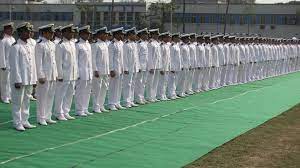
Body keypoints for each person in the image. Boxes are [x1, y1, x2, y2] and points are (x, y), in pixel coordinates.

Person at [10, 22, 37, 131]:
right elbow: (14, 65)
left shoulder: (30, 46)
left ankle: (25, 120)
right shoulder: (16, 47)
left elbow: (33, 64)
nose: (29, 33)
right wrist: (17, 80)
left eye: (30, 31)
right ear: (20, 33)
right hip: (20, 79)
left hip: (29, 78)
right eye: (27, 31)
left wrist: (34, 78)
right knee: (18, 102)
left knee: (26, 100)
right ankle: (17, 122)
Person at [35, 24, 58, 125]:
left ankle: (48, 116)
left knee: (50, 96)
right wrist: (40, 75)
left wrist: (56, 73)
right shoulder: (40, 44)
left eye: (53, 33)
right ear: (44, 33)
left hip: (52, 74)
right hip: (44, 75)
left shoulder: (52, 44)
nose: (52, 34)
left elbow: (54, 61)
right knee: (42, 97)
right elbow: (38, 61)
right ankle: (41, 117)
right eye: (50, 32)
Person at [54, 24, 78, 120]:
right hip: (64, 74)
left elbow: (74, 60)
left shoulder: (72, 44)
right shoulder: (61, 45)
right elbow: (58, 61)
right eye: (69, 32)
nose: (72, 34)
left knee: (70, 93)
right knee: (61, 94)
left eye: (72, 32)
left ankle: (66, 111)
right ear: (64, 33)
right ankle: (58, 112)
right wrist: (59, 75)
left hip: (72, 73)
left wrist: (76, 73)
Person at [74, 25, 93, 117]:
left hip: (88, 72)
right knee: (80, 91)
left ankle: (85, 108)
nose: (88, 35)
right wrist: (77, 73)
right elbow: (75, 60)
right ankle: (79, 109)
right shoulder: (78, 45)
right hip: (81, 72)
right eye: (86, 34)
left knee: (87, 91)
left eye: (89, 34)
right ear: (81, 34)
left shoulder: (88, 44)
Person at [92, 27, 110, 113]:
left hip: (105, 70)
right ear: (100, 35)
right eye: (104, 34)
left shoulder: (105, 44)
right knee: (97, 89)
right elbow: (93, 58)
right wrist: (95, 70)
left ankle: (101, 105)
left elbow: (107, 59)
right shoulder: (96, 45)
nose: (106, 35)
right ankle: (96, 106)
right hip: (98, 71)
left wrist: (109, 69)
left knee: (104, 88)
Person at [107, 27, 126, 111]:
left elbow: (122, 57)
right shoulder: (112, 44)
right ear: (116, 35)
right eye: (120, 34)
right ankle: (111, 103)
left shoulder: (121, 43)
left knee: (118, 86)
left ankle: (117, 102)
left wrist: (123, 67)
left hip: (120, 68)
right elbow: (110, 58)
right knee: (113, 87)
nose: (122, 35)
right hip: (114, 68)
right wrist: (111, 69)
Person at [122, 27, 140, 108]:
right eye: (134, 34)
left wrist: (137, 66)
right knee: (127, 85)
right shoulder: (126, 45)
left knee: (132, 84)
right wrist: (125, 68)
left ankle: (131, 100)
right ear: (129, 35)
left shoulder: (134, 44)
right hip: (128, 68)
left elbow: (136, 57)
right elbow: (124, 58)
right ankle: (126, 101)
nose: (135, 36)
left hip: (134, 67)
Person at [0, 22, 15, 104]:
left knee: (10, 81)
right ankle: (4, 97)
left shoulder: (13, 39)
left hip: (12, 64)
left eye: (12, 29)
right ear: (6, 30)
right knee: (4, 82)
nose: (12, 30)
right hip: (5, 64)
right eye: (10, 29)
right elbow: (1, 53)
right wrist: (2, 65)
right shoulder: (3, 40)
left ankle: (9, 96)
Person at [146, 29, 161, 102]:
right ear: (152, 35)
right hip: (152, 66)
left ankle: (153, 96)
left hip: (157, 65)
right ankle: (149, 97)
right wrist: (151, 67)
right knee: (150, 82)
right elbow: (149, 56)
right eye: (155, 34)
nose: (157, 36)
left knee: (156, 82)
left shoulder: (157, 43)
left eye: (157, 34)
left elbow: (159, 56)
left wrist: (160, 65)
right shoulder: (150, 43)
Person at [134, 28, 149, 104]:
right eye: (145, 34)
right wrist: (138, 66)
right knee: (139, 83)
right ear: (141, 35)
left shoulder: (145, 43)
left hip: (145, 66)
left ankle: (142, 97)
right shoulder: (139, 44)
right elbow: (137, 56)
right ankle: (138, 98)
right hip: (140, 66)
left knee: (143, 83)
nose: (147, 36)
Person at [157, 32, 171, 101]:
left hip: (167, 66)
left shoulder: (167, 45)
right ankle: (160, 95)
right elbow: (160, 58)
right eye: (167, 37)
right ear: (164, 38)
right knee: (161, 82)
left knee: (165, 82)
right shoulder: (161, 46)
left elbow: (168, 58)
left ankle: (163, 94)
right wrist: (161, 68)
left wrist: (169, 66)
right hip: (163, 67)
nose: (169, 38)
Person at [167, 33, 181, 99]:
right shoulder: (172, 46)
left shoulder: (177, 45)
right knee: (171, 81)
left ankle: (173, 93)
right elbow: (171, 57)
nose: (179, 39)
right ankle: (170, 94)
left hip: (177, 66)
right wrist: (172, 67)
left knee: (175, 80)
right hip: (173, 66)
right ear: (174, 38)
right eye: (178, 38)